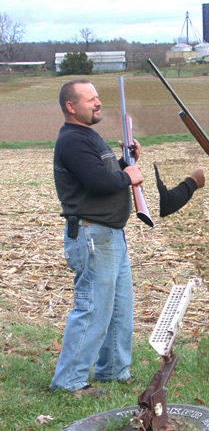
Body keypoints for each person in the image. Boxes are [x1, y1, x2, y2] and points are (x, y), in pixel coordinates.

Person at [50, 79, 144, 396]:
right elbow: (97, 183)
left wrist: (123, 161)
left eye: (98, 97)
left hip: (109, 235)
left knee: (119, 308)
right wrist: (128, 175)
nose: (98, 102)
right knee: (92, 308)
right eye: (91, 99)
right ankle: (69, 381)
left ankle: (114, 370)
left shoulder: (87, 136)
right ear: (70, 106)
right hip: (91, 235)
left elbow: (102, 173)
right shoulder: (73, 140)